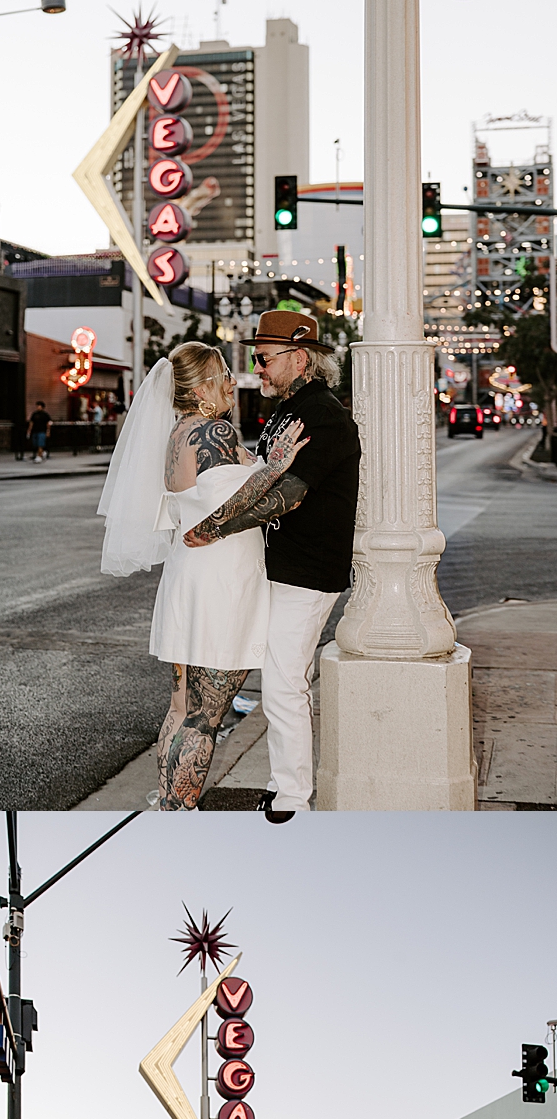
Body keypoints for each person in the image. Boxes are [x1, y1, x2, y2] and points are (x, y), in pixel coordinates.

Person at [98, 344, 308, 809]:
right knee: (206, 715)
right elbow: (222, 510)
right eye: (223, 375)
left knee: (180, 709)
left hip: (189, 579)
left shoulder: (177, 433)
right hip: (222, 585)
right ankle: (182, 809)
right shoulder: (213, 431)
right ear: (199, 389)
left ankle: (169, 804)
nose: (233, 382)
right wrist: (274, 466)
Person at [183, 311, 362, 821]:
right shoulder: (286, 413)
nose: (256, 369)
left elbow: (290, 493)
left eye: (263, 359)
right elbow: (262, 476)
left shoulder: (323, 415)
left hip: (309, 573)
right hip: (280, 570)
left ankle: (292, 800)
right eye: (254, 359)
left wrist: (217, 526)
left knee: (285, 682)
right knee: (280, 679)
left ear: (299, 357)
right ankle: (284, 785)